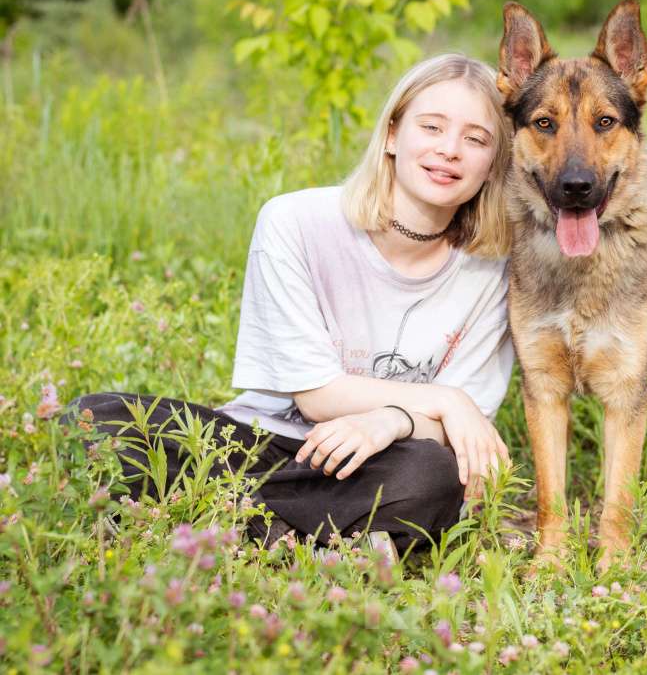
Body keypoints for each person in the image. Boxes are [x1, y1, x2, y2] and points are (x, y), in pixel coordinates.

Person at [63, 53, 515, 557]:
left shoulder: (493, 269)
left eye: (476, 139)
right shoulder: (295, 222)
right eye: (431, 127)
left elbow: (464, 434)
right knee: (93, 419)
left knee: (434, 476)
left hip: (375, 461)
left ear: (495, 163)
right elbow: (317, 397)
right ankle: (314, 540)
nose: (449, 150)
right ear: (392, 134)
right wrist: (446, 400)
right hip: (264, 447)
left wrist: (394, 421)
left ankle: (230, 524)